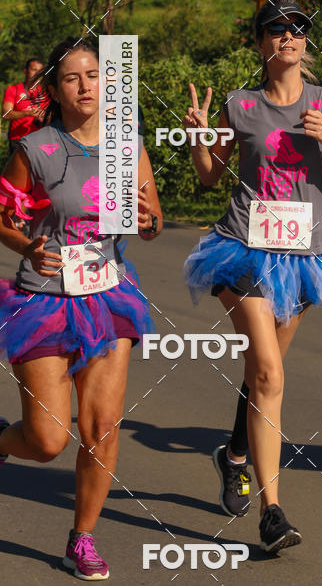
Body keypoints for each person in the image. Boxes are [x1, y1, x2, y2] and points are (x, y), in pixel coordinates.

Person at [183, 0, 322, 552]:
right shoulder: (240, 105)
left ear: (305, 42)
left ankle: (234, 454)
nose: (287, 37)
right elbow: (207, 178)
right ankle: (272, 513)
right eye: (276, 30)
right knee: (267, 372)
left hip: (304, 259)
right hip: (241, 250)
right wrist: (201, 137)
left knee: (263, 372)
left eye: (297, 29)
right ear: (261, 43)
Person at [0, 36, 163, 579]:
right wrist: (26, 245)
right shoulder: (35, 149)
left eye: (94, 74)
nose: (85, 86)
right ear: (53, 88)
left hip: (108, 296)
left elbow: (151, 222)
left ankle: (82, 539)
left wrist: (148, 223)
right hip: (43, 299)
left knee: (101, 428)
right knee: (47, 441)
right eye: (71, 78)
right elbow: (4, 219)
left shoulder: (126, 145)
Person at [2, 57, 48, 153]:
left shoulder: (46, 92)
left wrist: (46, 117)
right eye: (34, 70)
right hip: (18, 140)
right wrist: (28, 113)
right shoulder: (13, 90)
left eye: (40, 71)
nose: (37, 73)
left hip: (41, 139)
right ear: (25, 71)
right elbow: (6, 114)